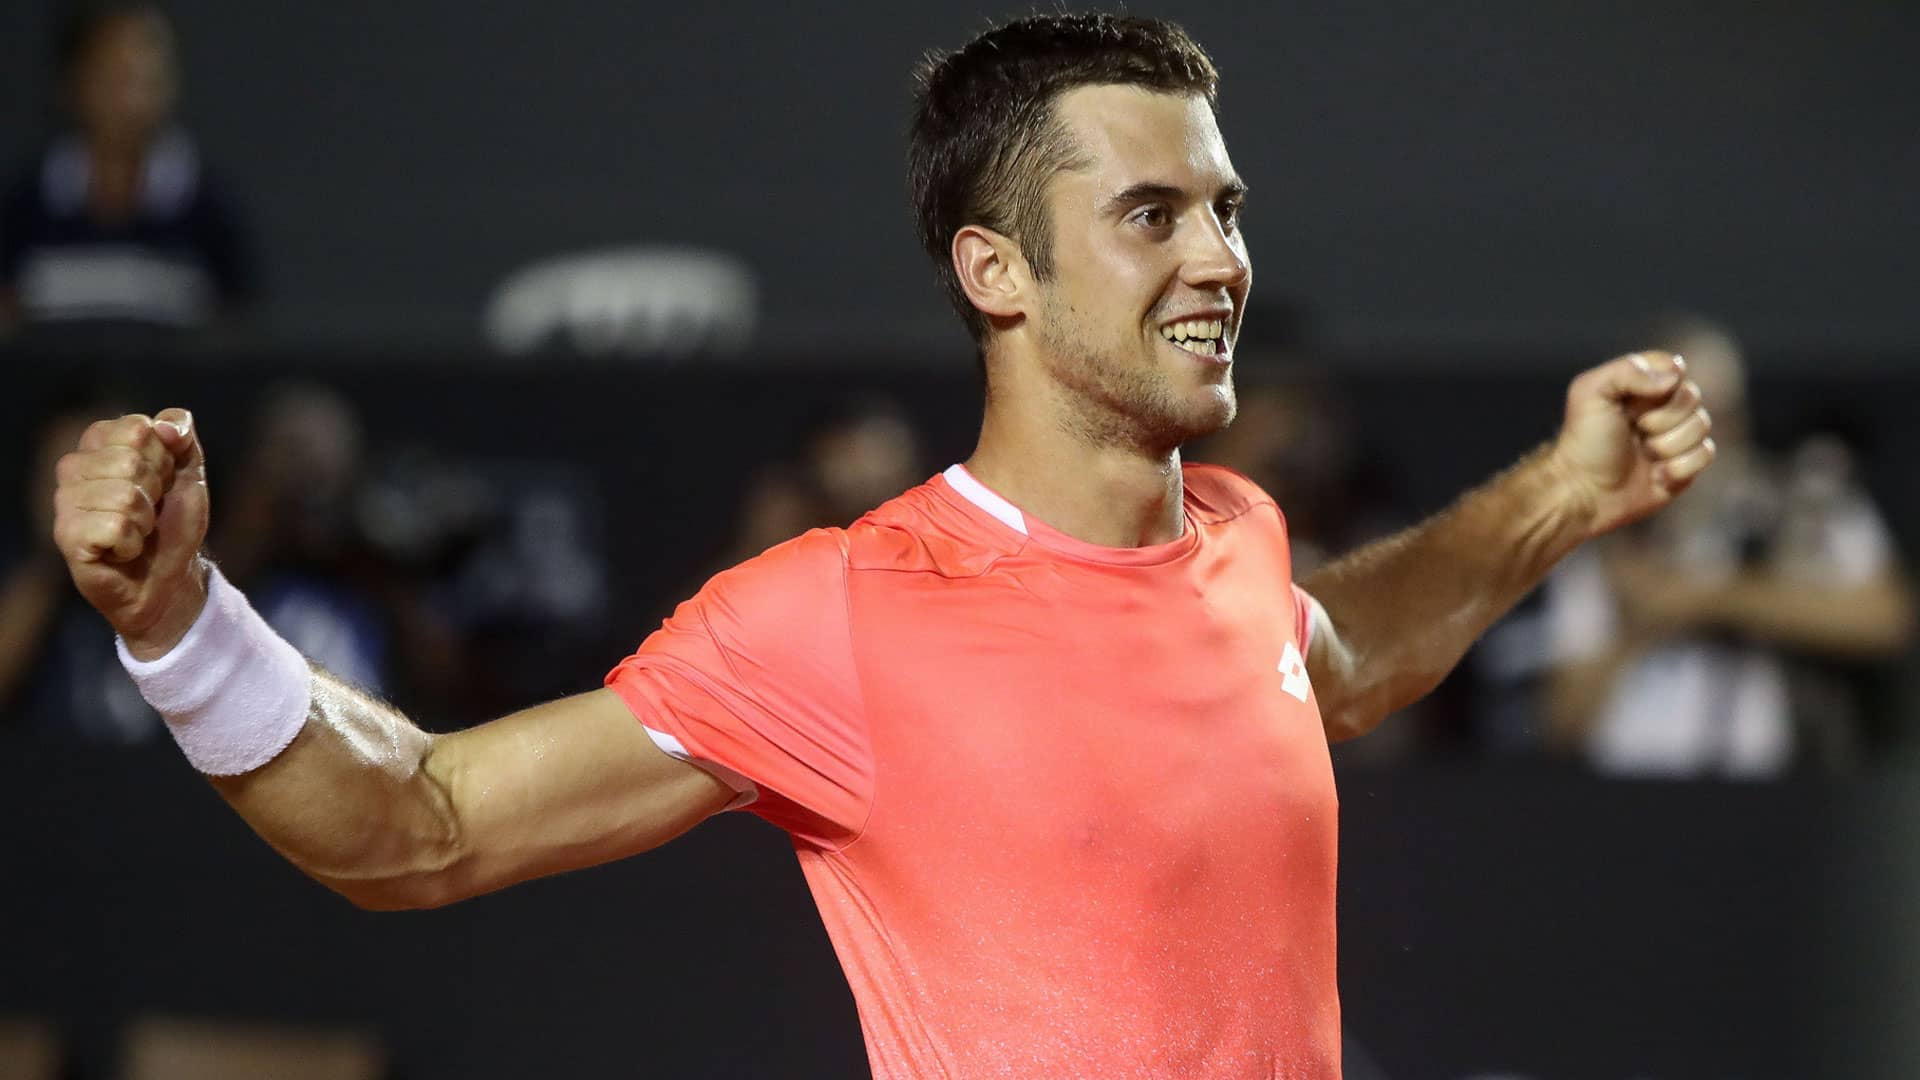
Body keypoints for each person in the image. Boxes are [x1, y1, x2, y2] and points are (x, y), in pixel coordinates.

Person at [47, 14, 1715, 1078]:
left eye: (1226, 208)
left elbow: (1344, 657)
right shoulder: (835, 615)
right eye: (1151, 215)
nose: (1219, 259)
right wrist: (177, 619)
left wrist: (1565, 491)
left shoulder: (1243, 544)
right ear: (997, 274)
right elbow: (417, 824)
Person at [1526, 317, 1911, 775]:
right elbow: (1561, 722)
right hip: (1630, 804)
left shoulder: (1801, 504)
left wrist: (1718, 599)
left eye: (1716, 415)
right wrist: (1642, 626)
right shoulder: (1600, 535)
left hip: (1780, 800)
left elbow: (1885, 619)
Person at [0, 2, 255, 335]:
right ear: (72, 83)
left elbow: (236, 329)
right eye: (114, 78)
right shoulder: (24, 206)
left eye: (147, 78)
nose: (132, 99)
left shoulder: (208, 209)